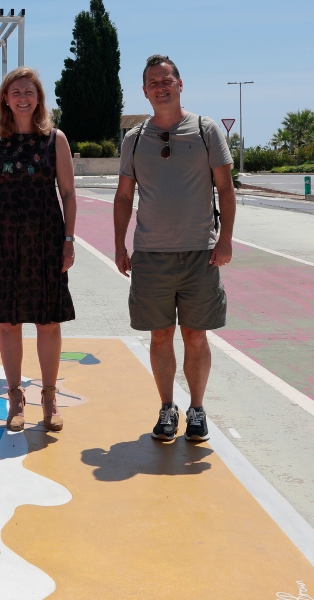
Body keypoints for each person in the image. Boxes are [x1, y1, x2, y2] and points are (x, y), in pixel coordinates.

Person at [114, 55, 235, 442]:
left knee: (196, 336)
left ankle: (197, 410)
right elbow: (123, 196)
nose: (160, 87)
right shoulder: (133, 139)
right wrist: (119, 243)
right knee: (161, 336)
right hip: (151, 255)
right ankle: (168, 409)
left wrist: (227, 238)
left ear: (180, 84)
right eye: (153, 82)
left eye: (166, 80)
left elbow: (226, 188)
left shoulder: (205, 130)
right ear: (145, 91)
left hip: (200, 252)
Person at [0, 66, 77, 433]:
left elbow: (69, 193)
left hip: (46, 238)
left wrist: (69, 240)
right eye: (16, 92)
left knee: (48, 320)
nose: (23, 97)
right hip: (2, 237)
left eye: (29, 92)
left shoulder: (55, 139)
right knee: (8, 320)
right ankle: (15, 397)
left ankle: (49, 397)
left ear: (39, 98)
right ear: (5, 98)